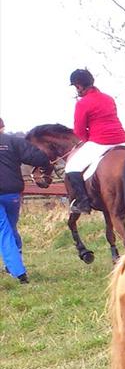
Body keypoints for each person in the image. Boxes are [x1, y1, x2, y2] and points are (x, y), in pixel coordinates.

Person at [66, 69, 125, 213]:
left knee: (71, 167)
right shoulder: (108, 98)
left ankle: (83, 202)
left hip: (100, 141)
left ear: (78, 86)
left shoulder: (82, 103)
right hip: (121, 140)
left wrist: (87, 140)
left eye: (76, 87)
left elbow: (79, 130)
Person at [0, 117, 53, 283]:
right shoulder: (12, 142)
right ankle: (15, 259)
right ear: (2, 126)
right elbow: (39, 158)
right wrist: (45, 166)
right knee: (9, 226)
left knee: (4, 231)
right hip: (12, 193)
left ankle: (19, 272)